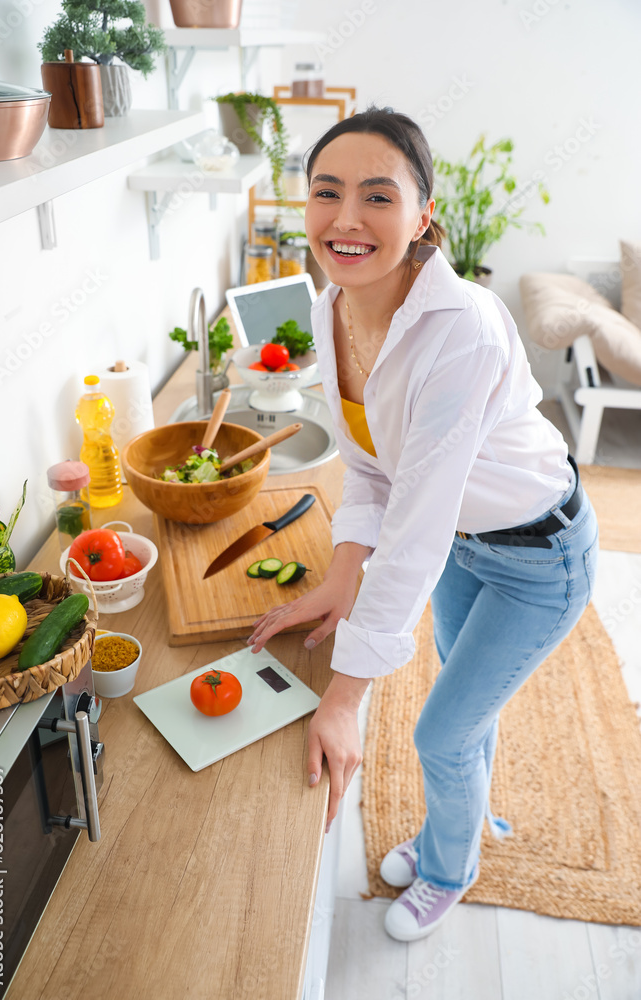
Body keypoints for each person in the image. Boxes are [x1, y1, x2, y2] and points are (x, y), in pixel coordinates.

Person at [247, 106, 599, 942]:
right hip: (468, 551)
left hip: (538, 556)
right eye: (326, 193)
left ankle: (449, 869)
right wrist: (339, 577)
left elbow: (417, 523)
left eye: (377, 196)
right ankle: (460, 828)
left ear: (422, 216)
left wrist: (343, 695)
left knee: (440, 728)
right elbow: (372, 467)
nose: (346, 219)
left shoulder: (462, 327)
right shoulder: (336, 306)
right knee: (464, 716)